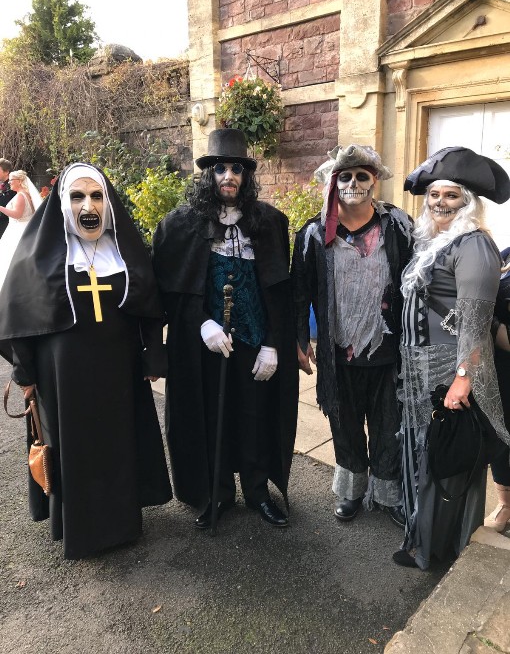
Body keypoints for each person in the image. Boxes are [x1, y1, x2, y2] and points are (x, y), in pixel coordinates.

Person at [0, 163, 172, 560]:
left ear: (108, 203)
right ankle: (80, 531)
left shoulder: (122, 251)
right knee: (72, 447)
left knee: (117, 442)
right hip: (62, 376)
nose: (87, 205)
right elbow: (17, 316)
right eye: (77, 196)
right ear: (62, 203)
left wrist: (154, 353)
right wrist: (24, 371)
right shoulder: (37, 255)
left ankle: (122, 524)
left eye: (96, 196)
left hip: (117, 370)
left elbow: (148, 305)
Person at [152, 128, 298, 529]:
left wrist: (273, 345)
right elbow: (167, 291)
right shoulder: (179, 225)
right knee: (208, 416)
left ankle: (256, 492)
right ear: (208, 175)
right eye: (220, 169)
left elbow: (280, 291)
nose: (228, 176)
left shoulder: (269, 223)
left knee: (253, 416)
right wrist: (201, 325)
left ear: (246, 176)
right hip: (206, 347)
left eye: (236, 169)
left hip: (253, 342)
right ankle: (215, 494)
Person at [393, 146, 510, 569]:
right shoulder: (434, 242)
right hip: (422, 367)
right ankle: (422, 537)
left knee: (447, 461)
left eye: (451, 196)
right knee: (428, 455)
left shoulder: (475, 246)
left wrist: (464, 377)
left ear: (468, 203)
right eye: (435, 195)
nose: (440, 203)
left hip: (449, 371)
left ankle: (440, 549)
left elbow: (476, 322)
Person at [291, 144, 414, 527]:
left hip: (388, 350)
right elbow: (300, 290)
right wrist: (300, 340)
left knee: (388, 425)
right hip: (337, 350)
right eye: (345, 176)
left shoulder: (398, 225)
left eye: (362, 176)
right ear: (333, 182)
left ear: (374, 181)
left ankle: (388, 493)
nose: (354, 183)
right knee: (343, 424)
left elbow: (414, 282)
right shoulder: (314, 232)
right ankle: (352, 490)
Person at [484, 248, 510, 532]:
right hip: (500, 370)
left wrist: (483, 320)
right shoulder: (504, 255)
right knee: (500, 436)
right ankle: (505, 504)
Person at [0, 170, 43, 291]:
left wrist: (1, 208)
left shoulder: (20, 195)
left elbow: (17, 215)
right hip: (25, 227)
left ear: (19, 181)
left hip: (19, 229)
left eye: (11, 181)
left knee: (10, 257)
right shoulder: (26, 194)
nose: (9, 183)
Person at [0, 158, 16, 239]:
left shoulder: (13, 187)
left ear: (6, 172)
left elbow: (6, 203)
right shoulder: (2, 184)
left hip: (6, 224)